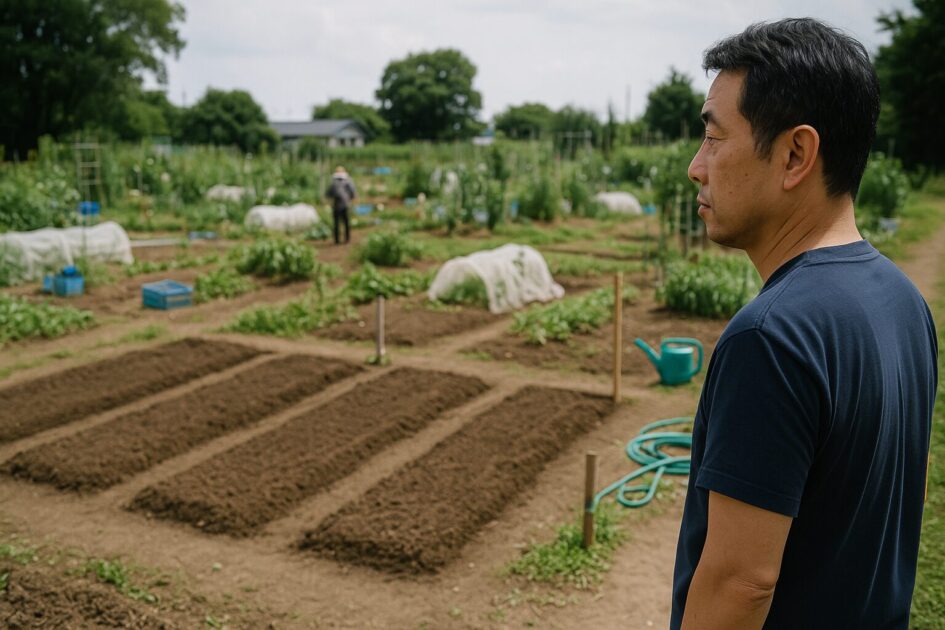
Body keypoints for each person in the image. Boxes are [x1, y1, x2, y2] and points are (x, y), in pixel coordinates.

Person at [672, 18, 937, 630]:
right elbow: (906, 493)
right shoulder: (904, 301)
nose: (696, 167)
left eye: (713, 138)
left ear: (795, 155)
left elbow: (741, 584)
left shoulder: (772, 336)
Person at [325, 166, 356, 244]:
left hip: (336, 204)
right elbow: (352, 192)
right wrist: (350, 198)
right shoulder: (348, 181)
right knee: (346, 222)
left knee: (336, 223)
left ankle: (337, 240)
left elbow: (328, 194)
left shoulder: (333, 182)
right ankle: (347, 239)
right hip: (345, 204)